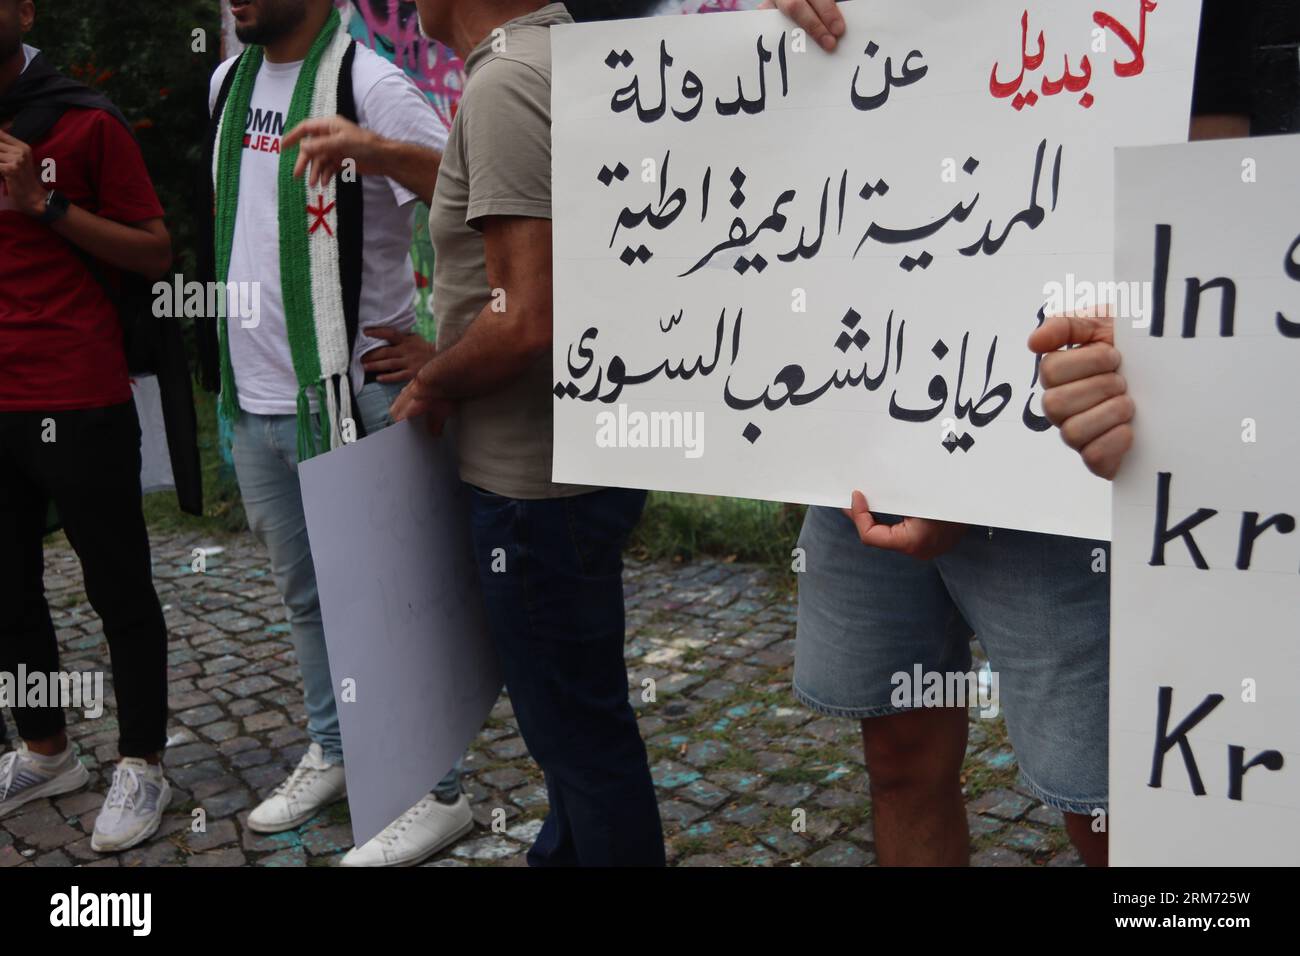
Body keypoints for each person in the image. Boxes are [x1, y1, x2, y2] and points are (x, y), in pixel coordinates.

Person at [761, 0, 1254, 866]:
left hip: (1086, 468)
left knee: (1118, 814)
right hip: (867, 432)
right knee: (900, 761)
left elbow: (1212, 249)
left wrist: (998, 457)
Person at [396, 0, 665, 866]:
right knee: (575, 728)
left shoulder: (508, 79)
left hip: (531, 490)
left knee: (583, 742)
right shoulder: (570, 58)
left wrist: (432, 382)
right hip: (580, 462)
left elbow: (524, 318)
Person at [203, 0, 469, 867]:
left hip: (352, 392)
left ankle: (439, 791)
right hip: (259, 398)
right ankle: (339, 749)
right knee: (308, 598)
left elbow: (468, 191)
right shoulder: (225, 87)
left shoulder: (369, 81)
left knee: (389, 604)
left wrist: (447, 342)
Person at [0, 0, 175, 852]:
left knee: (118, 588)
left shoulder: (83, 120)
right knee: (8, 596)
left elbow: (155, 251)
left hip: (77, 392)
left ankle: (142, 762)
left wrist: (45, 204)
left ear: (24, 10)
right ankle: (45, 749)